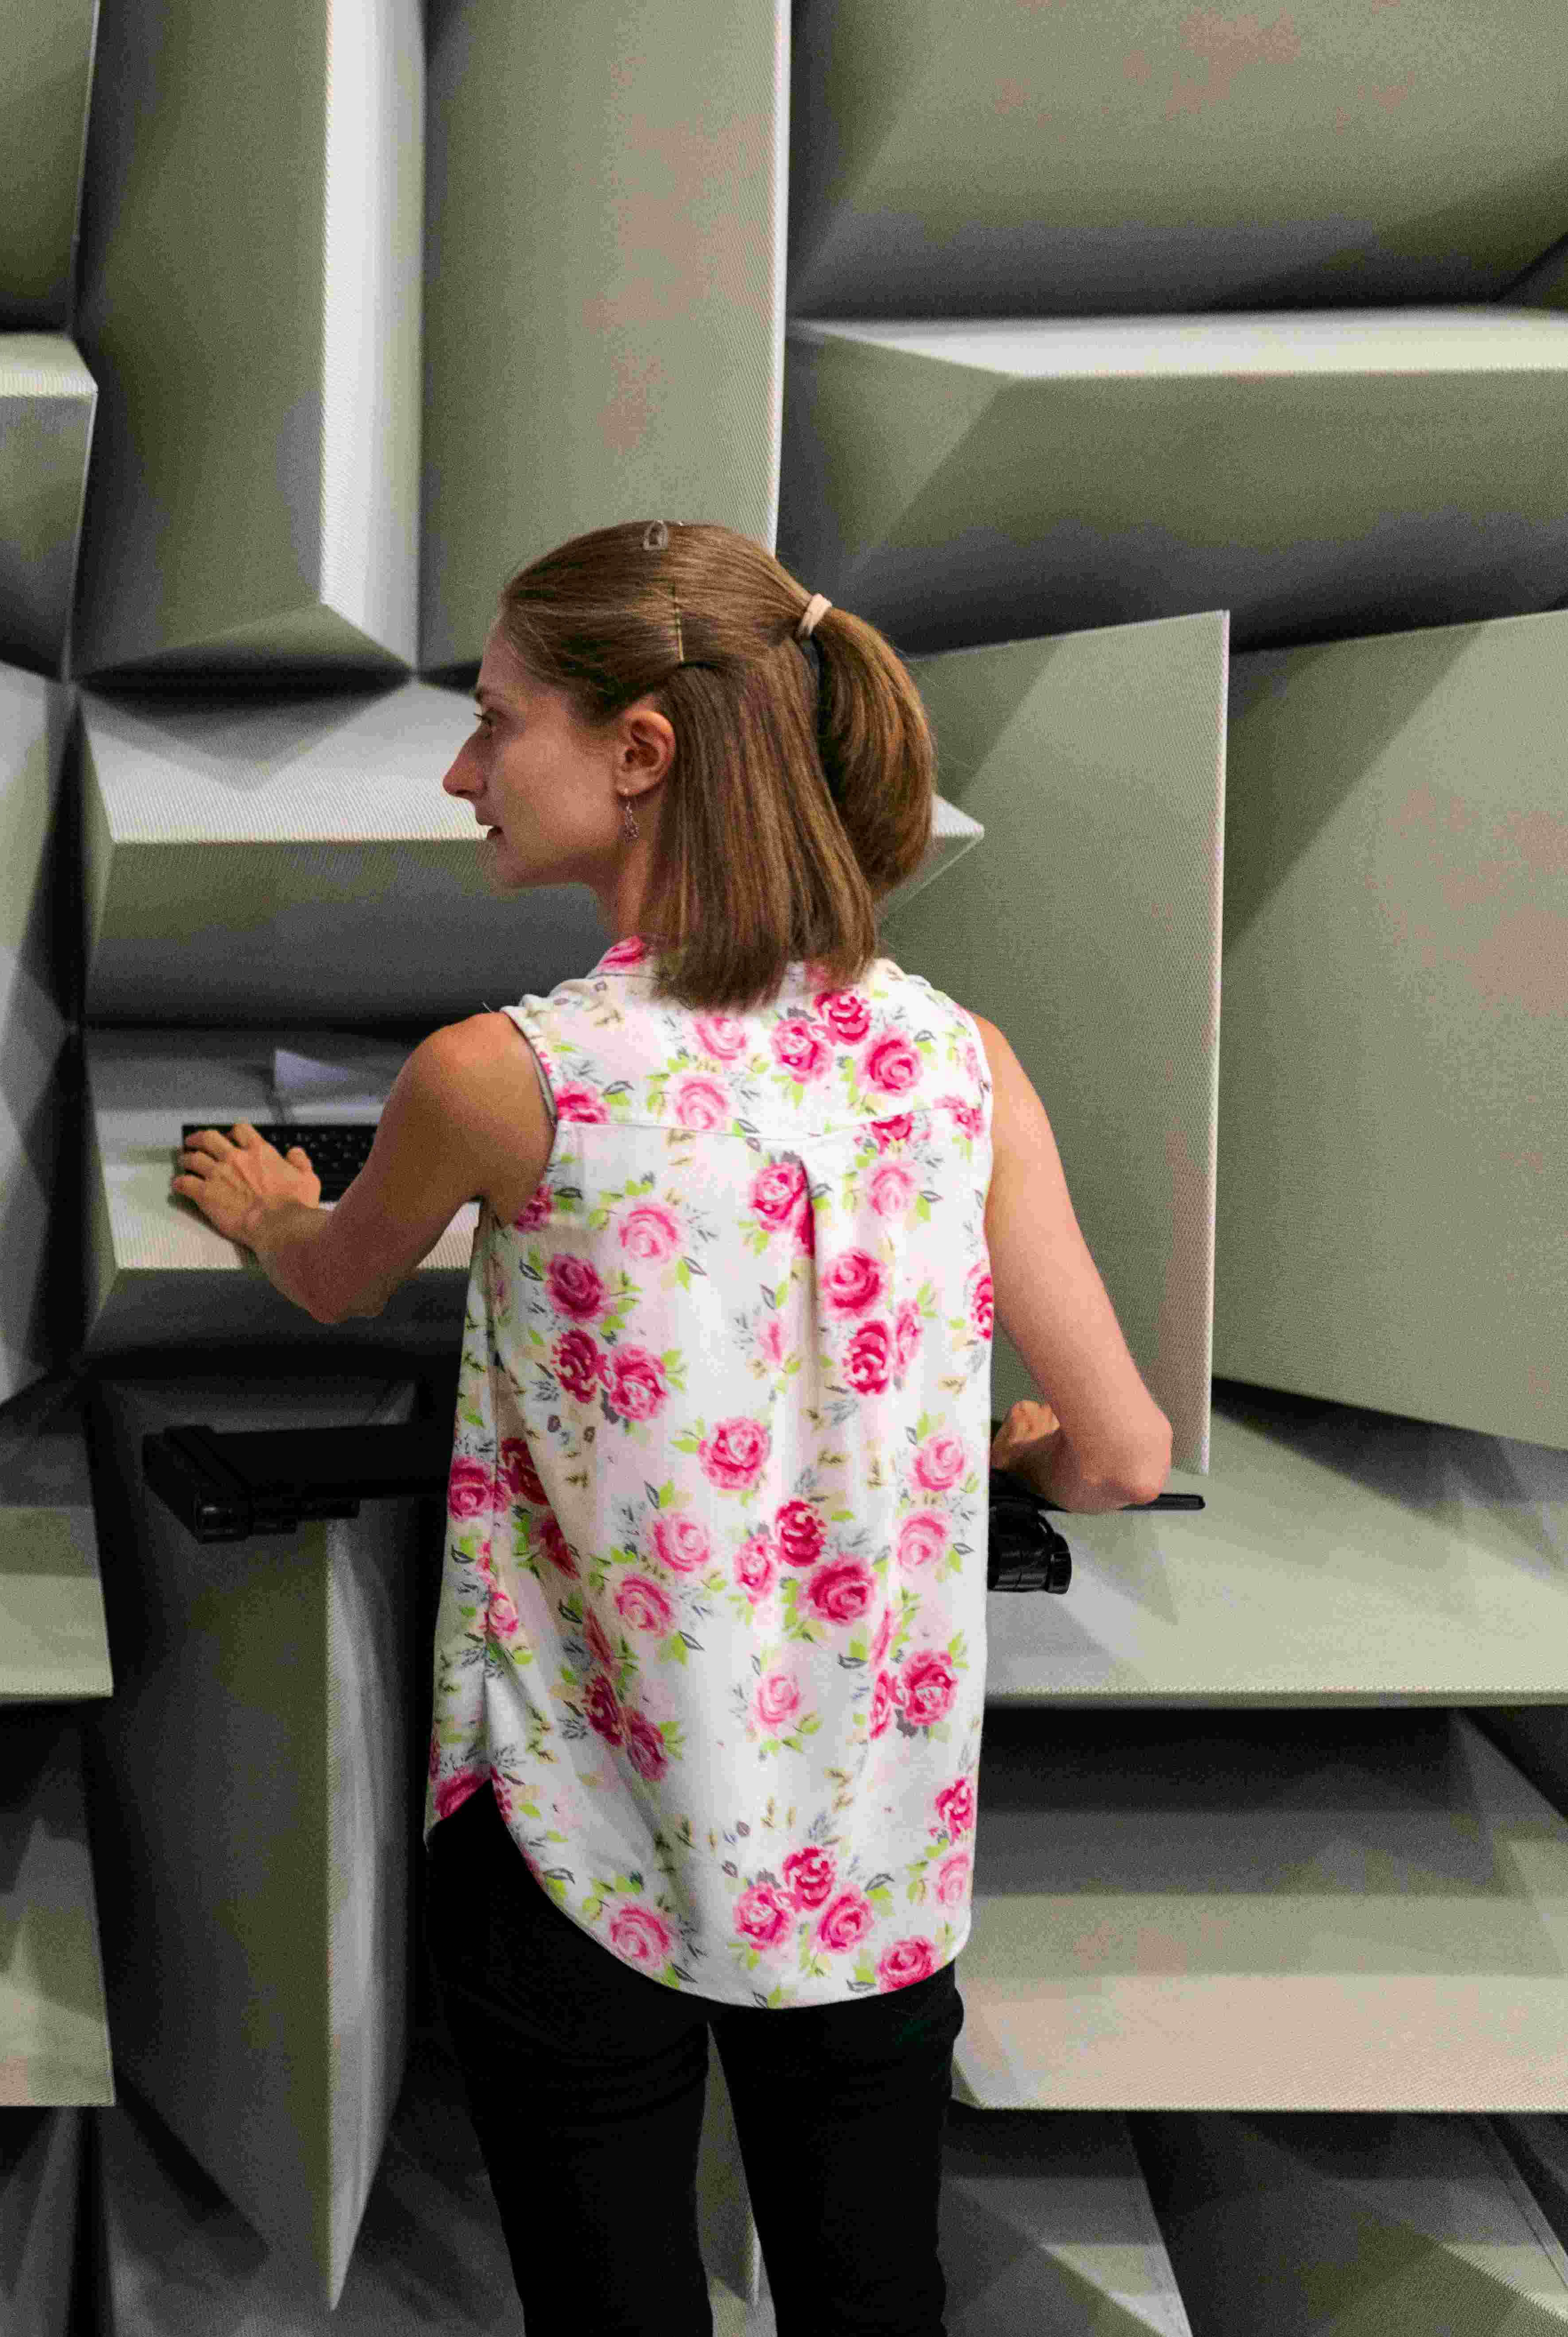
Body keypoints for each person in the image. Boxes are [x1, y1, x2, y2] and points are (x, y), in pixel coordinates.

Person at [168, 518, 1172, 2336]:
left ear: (640, 753)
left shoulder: (502, 1077)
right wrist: (1003, 1455)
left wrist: (258, 1211)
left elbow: (335, 1277)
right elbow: (1123, 1453)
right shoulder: (962, 1063)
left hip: (580, 1843)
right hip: (867, 1852)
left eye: (499, 721)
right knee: (880, 2304)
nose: (467, 772)